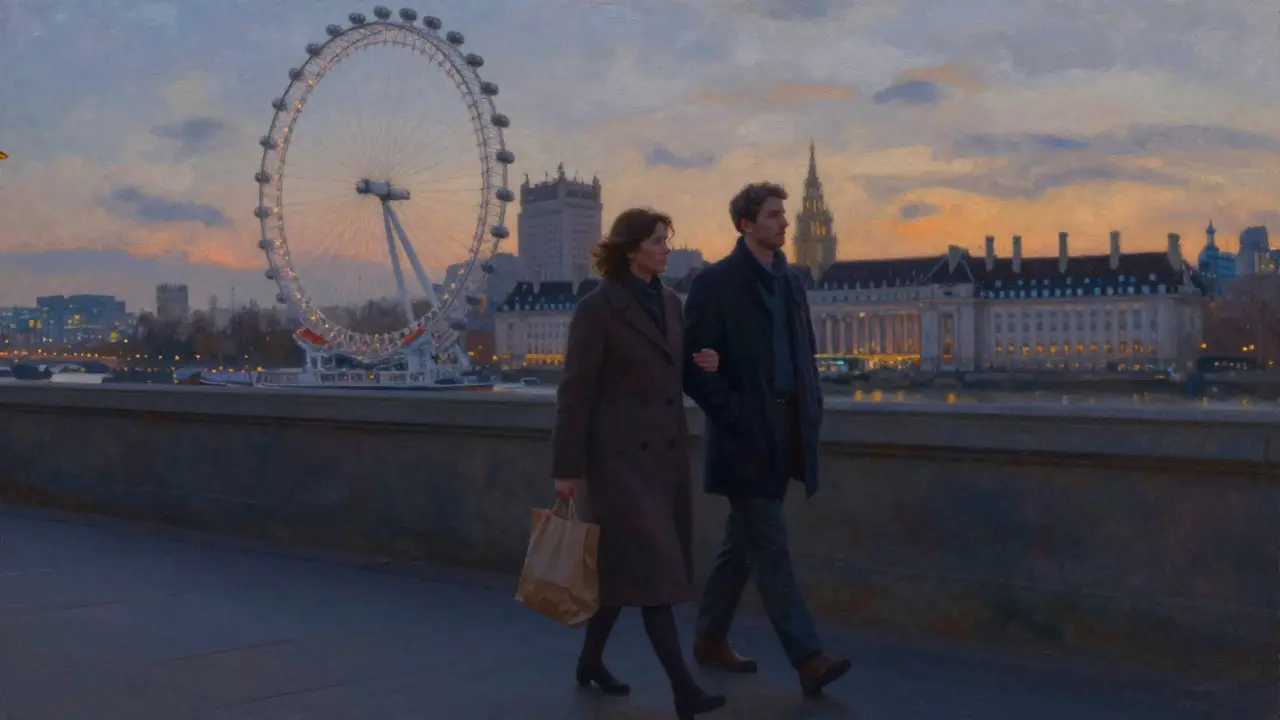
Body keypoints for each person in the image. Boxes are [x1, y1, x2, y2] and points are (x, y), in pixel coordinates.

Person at [551, 208, 727, 720]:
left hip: (666, 458)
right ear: (632, 250)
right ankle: (684, 691)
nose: (666, 248)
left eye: (666, 240)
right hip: (618, 464)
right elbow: (574, 394)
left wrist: (712, 363)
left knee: (621, 573)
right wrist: (566, 469)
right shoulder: (598, 309)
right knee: (654, 575)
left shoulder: (672, 304)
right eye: (657, 241)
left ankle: (589, 662)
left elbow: (679, 369)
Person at [682, 182, 852, 697]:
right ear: (746, 224)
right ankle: (808, 658)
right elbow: (694, 367)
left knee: (743, 543)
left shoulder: (793, 281)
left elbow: (804, 353)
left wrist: (810, 408)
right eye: (774, 215)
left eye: (785, 214)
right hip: (744, 436)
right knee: (771, 545)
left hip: (789, 429)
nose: (784, 223)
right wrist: (738, 415)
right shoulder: (715, 283)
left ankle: (710, 636)